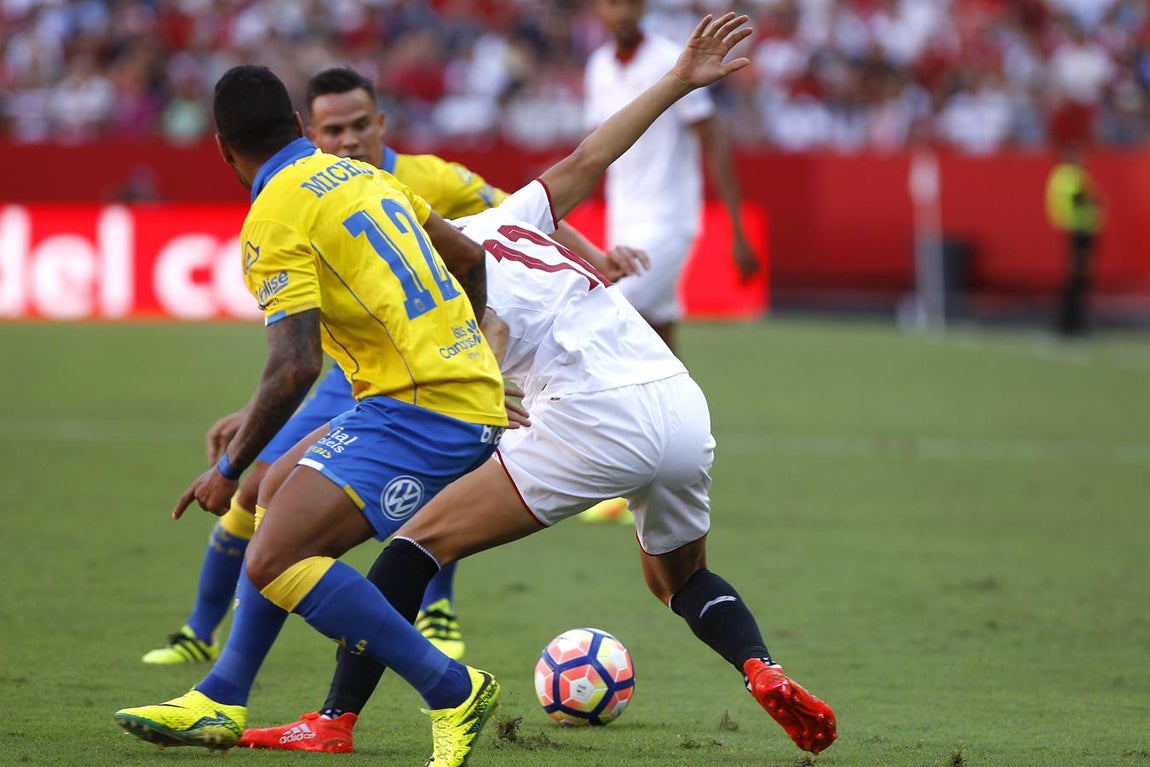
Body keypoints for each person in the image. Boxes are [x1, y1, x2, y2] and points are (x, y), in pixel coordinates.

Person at [238, 13, 836, 757]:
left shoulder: (429, 275)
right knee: (679, 578)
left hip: (587, 416)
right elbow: (595, 152)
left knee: (414, 546)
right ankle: (762, 666)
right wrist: (679, 81)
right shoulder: (513, 215)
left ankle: (334, 719)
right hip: (678, 400)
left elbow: (453, 332)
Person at [141, 66, 648, 667]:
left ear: (381, 122)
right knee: (260, 491)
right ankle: (209, 646)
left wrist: (489, 338)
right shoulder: (332, 187)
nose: (350, 139)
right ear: (308, 129)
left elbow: (528, 211)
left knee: (365, 496)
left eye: (360, 124)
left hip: (414, 378)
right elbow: (306, 353)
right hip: (358, 375)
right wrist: (254, 415)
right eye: (335, 129)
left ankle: (436, 636)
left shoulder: (420, 178)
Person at [115, 64, 511, 767]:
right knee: (270, 493)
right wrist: (470, 353)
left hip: (425, 409)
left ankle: (453, 688)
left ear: (222, 150)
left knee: (273, 554)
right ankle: (223, 692)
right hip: (427, 393)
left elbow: (295, 364)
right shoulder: (361, 175)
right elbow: (471, 255)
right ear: (300, 129)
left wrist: (223, 466)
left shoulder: (272, 217)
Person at [584, 0, 761, 355]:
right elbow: (594, 151)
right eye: (614, 5)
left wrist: (737, 232)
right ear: (598, 10)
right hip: (624, 219)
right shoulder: (598, 67)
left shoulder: (671, 60)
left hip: (669, 219)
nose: (623, 13)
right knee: (659, 331)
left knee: (611, 307)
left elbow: (713, 142)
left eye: (631, 4)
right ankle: (682, 409)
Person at [1045, 141, 1102, 338]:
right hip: (1079, 232)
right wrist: (1095, 201)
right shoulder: (1069, 175)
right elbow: (1078, 200)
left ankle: (1071, 320)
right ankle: (1071, 321)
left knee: (1078, 277)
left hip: (1080, 231)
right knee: (1078, 278)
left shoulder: (1067, 175)